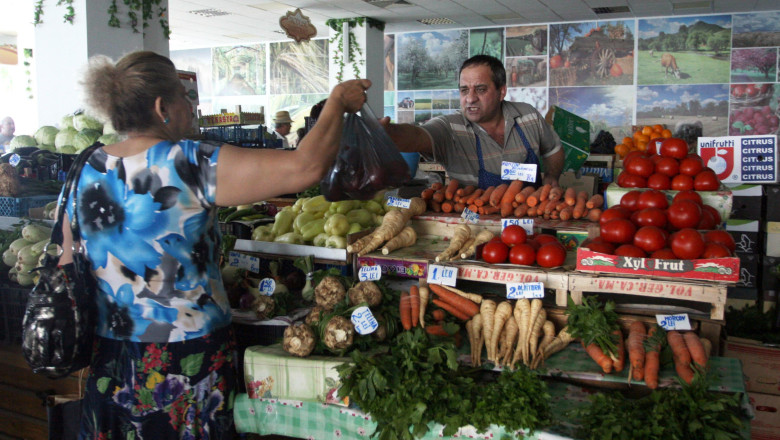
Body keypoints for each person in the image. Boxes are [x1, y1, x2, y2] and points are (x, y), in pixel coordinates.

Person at [55, 51, 369, 440]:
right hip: (187, 360)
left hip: (112, 359)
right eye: (184, 98)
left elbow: (66, 260)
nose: (191, 107)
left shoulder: (84, 167)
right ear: (162, 107)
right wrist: (336, 102)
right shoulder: (189, 164)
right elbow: (304, 167)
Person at [380, 55, 564, 189]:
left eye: (480, 89)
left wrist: (552, 176)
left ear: (501, 92)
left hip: (530, 221)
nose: (470, 98)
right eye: (464, 90)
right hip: (473, 224)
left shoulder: (528, 116)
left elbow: (553, 150)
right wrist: (384, 132)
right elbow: (416, 136)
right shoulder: (450, 128)